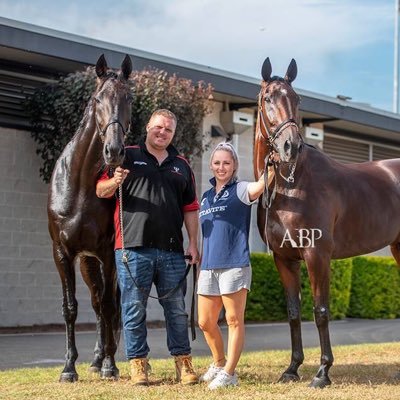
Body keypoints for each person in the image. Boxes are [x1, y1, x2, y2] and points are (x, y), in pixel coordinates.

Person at [96, 109, 200, 386]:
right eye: (158, 127)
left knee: (177, 310)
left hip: (172, 251)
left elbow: (190, 208)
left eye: (168, 129)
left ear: (173, 134)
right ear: (147, 127)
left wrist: (193, 243)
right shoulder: (126, 154)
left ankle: (183, 363)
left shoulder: (182, 165)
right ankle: (138, 365)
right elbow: (100, 190)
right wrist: (115, 181)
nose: (162, 132)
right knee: (133, 309)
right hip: (132, 248)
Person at [197, 141, 270, 389]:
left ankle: (229, 373)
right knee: (205, 322)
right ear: (211, 165)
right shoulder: (206, 197)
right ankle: (218, 362)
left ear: (234, 165)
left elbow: (262, 185)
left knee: (233, 320)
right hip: (208, 266)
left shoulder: (240, 189)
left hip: (234, 264)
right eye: (217, 163)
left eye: (226, 162)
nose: (221, 167)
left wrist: (271, 163)